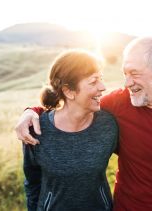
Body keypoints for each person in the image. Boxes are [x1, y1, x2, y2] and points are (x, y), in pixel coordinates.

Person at [16, 37, 152, 211]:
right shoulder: (117, 104)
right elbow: (74, 107)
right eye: (125, 74)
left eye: (135, 73)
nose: (127, 83)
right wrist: (32, 112)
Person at [21, 50, 118, 211]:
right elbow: (32, 182)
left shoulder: (108, 125)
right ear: (69, 91)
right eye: (93, 82)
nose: (103, 87)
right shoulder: (37, 130)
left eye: (101, 79)